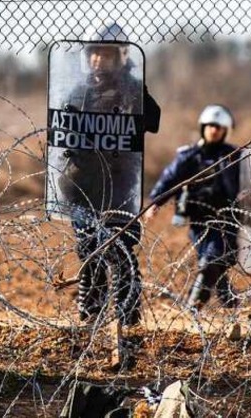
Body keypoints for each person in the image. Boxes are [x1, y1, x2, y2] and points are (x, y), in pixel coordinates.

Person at [54, 22, 160, 362]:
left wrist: (135, 99)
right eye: (94, 54)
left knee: (122, 251)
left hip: (120, 185)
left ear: (121, 57)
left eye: (106, 54)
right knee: (90, 252)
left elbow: (154, 121)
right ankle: (91, 315)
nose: (99, 60)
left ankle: (128, 318)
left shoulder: (132, 89)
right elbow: (61, 134)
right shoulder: (78, 92)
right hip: (81, 186)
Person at [144, 104, 251, 310]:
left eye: (218, 127)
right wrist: (155, 203)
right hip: (199, 221)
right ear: (203, 127)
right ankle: (231, 304)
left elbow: (247, 189)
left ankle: (192, 307)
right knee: (212, 262)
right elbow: (169, 179)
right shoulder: (189, 156)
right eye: (210, 125)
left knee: (212, 260)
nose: (214, 130)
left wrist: (248, 217)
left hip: (225, 220)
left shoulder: (233, 157)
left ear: (225, 130)